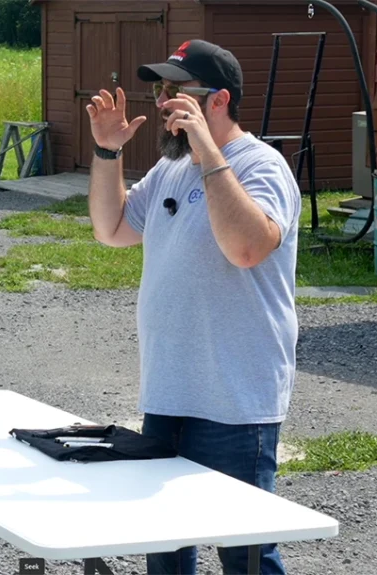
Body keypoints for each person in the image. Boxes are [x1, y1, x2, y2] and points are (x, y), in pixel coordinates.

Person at [84, 39, 301, 575]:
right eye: (159, 89)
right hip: (169, 390)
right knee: (165, 541)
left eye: (178, 92)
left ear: (219, 101)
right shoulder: (169, 168)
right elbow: (111, 230)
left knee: (246, 552)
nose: (162, 102)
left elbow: (247, 248)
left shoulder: (261, 166)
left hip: (236, 401)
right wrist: (107, 152)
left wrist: (208, 152)